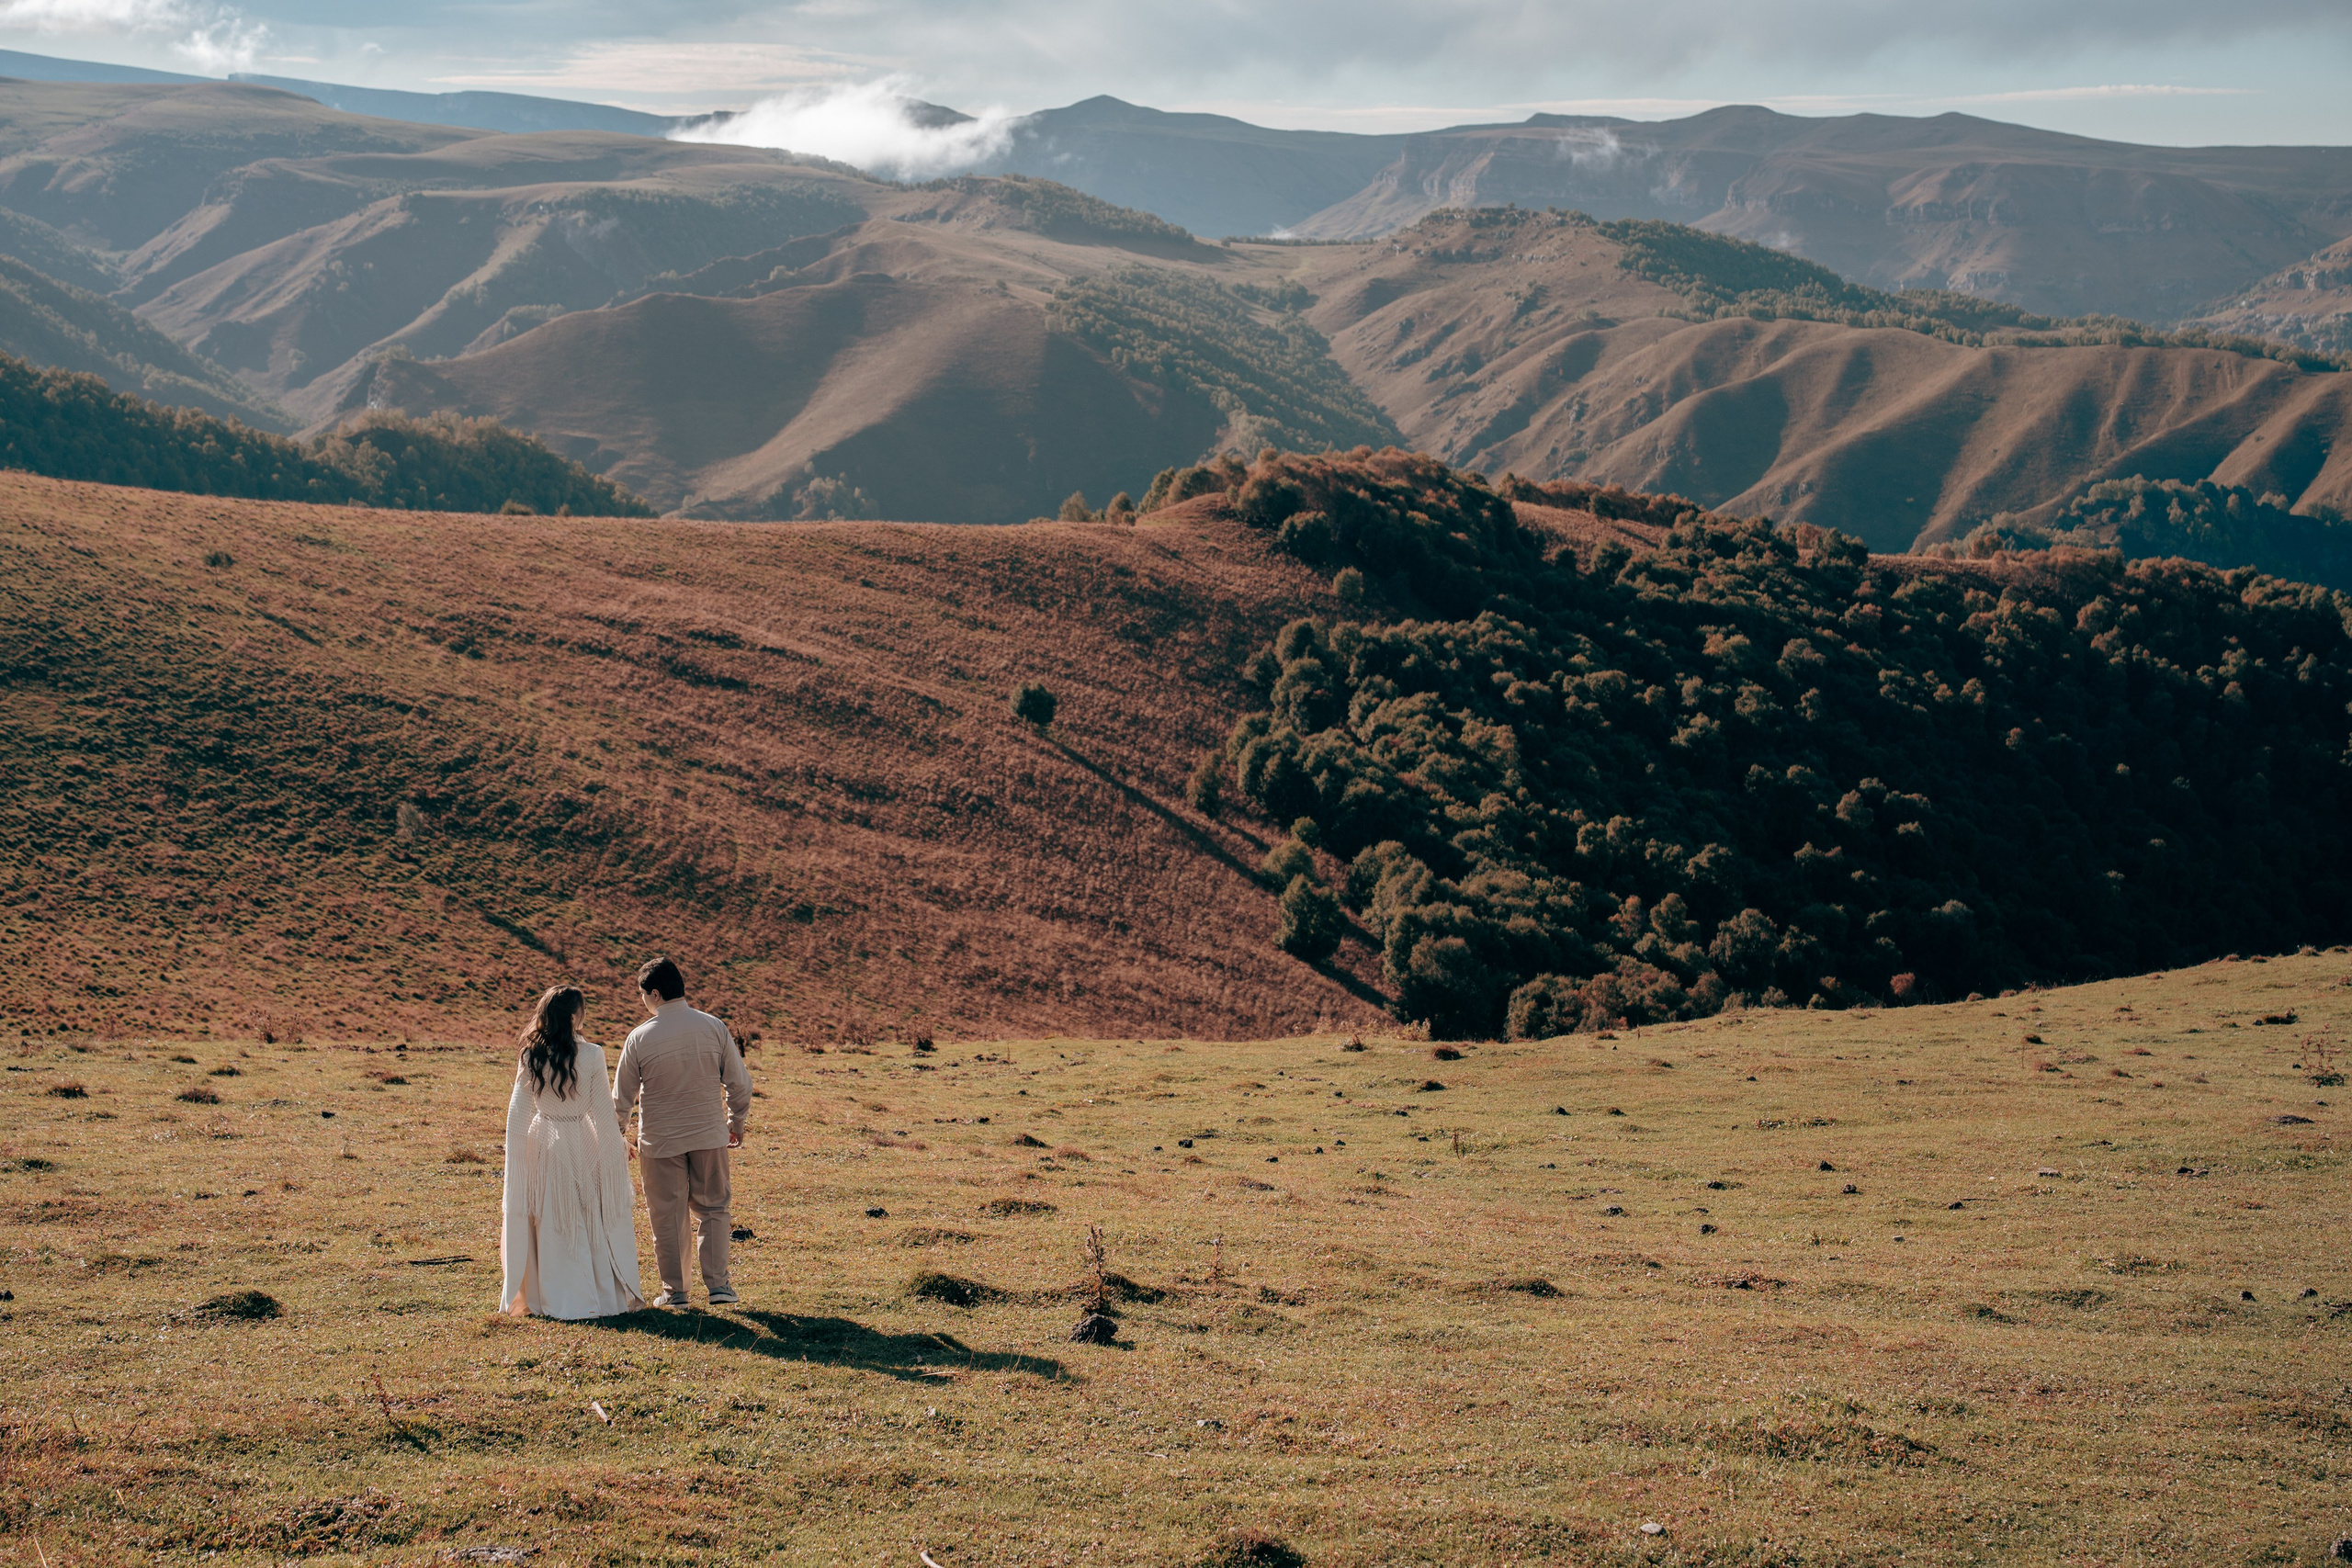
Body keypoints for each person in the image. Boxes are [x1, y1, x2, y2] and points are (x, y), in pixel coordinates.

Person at [499, 985, 646, 1318]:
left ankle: (552, 1292)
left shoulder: (531, 1055)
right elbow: (603, 1113)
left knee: (548, 1212)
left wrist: (517, 1159)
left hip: (543, 1139)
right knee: (585, 1212)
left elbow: (517, 1113)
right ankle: (591, 1293)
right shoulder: (592, 1054)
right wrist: (617, 1144)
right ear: (576, 1016)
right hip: (582, 1137)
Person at [613, 956, 752, 1307]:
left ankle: (676, 1292)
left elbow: (622, 1097)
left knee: (667, 1215)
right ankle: (720, 1287)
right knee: (714, 1209)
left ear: (655, 994)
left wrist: (618, 1134)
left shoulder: (639, 1038)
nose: (643, 1000)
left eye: (642, 994)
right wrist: (736, 1121)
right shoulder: (713, 1027)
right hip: (709, 1135)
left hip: (660, 1141)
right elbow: (739, 1083)